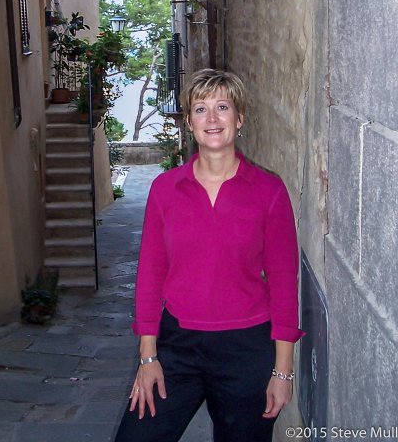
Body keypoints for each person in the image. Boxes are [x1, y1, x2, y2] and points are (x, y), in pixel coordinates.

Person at [114, 68, 303, 442]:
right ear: (189, 122)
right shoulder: (166, 190)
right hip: (177, 346)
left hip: (246, 350)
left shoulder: (268, 191)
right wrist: (148, 357)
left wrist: (282, 372)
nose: (212, 118)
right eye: (201, 109)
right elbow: (150, 275)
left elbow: (284, 283)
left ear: (239, 118)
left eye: (223, 107)